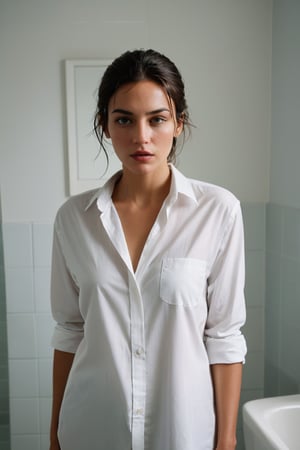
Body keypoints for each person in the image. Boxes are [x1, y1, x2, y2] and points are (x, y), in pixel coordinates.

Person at [50, 49, 247, 450]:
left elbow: (224, 335)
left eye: (157, 119)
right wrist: (55, 436)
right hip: (92, 429)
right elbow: (70, 332)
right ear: (105, 125)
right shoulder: (74, 218)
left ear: (178, 123)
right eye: (124, 119)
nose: (141, 136)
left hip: (181, 432)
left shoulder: (218, 211)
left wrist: (226, 442)